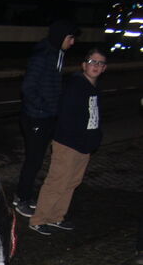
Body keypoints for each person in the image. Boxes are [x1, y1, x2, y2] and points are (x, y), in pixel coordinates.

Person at [29, 48, 106, 235]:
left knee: (72, 182)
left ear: (104, 68)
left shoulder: (92, 88)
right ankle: (38, 219)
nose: (96, 66)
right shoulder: (76, 86)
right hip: (69, 143)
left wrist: (94, 139)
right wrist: (80, 139)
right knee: (57, 181)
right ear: (84, 65)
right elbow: (67, 118)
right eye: (92, 62)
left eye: (100, 63)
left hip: (84, 145)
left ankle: (56, 216)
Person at [14, 20, 78, 217]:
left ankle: (25, 194)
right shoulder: (43, 56)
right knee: (33, 160)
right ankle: (21, 199)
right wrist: (44, 107)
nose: (72, 42)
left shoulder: (57, 54)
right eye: (70, 38)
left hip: (46, 117)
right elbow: (28, 88)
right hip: (36, 118)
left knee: (37, 159)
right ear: (61, 37)